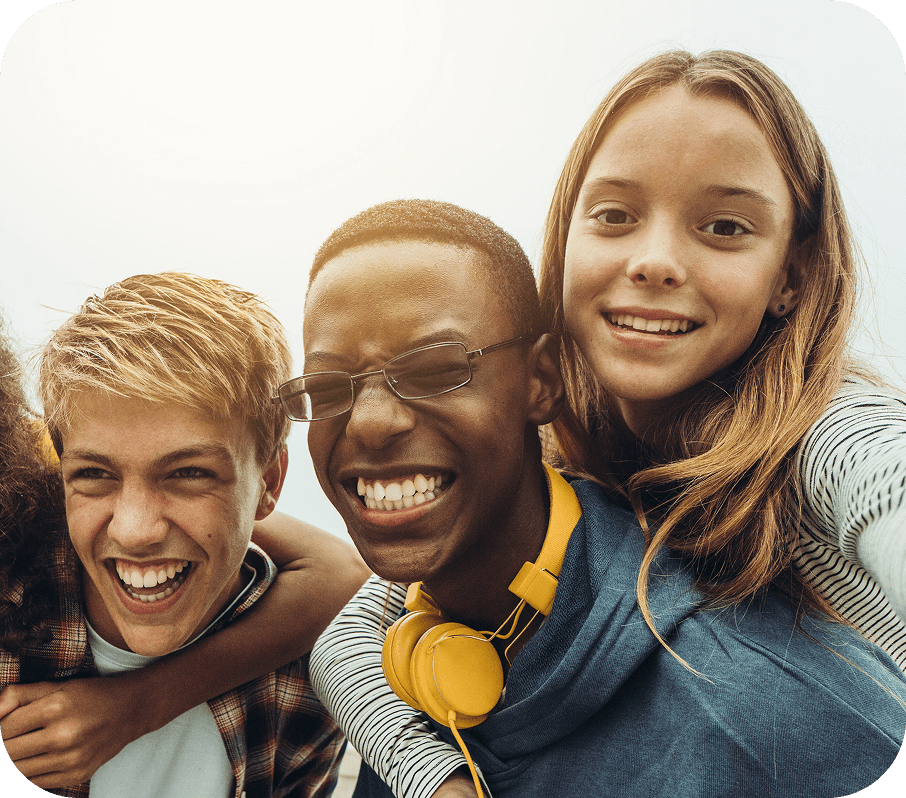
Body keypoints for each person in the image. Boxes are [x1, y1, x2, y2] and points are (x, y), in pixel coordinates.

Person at [309, 49, 906, 798]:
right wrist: (437, 779)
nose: (655, 261)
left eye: (723, 227)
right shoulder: (562, 447)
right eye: (616, 216)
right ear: (565, 242)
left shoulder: (822, 434)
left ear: (791, 275)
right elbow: (352, 639)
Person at [0, 273, 368, 798]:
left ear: (269, 483)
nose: (135, 531)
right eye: (94, 475)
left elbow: (347, 576)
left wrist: (140, 704)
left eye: (189, 474)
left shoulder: (307, 682)